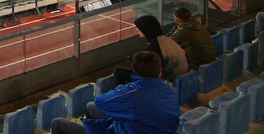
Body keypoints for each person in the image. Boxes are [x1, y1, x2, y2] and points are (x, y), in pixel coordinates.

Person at [50, 51, 179, 134]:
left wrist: (123, 89)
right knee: (90, 107)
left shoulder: (132, 93)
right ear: (160, 73)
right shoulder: (169, 90)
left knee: (58, 123)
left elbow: (101, 101)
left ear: (134, 71)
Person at [115, 15, 187, 84]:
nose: (137, 30)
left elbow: (149, 73)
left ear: (146, 28)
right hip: (182, 75)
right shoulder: (167, 40)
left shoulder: (154, 48)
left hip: (169, 79)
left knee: (118, 71)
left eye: (139, 28)